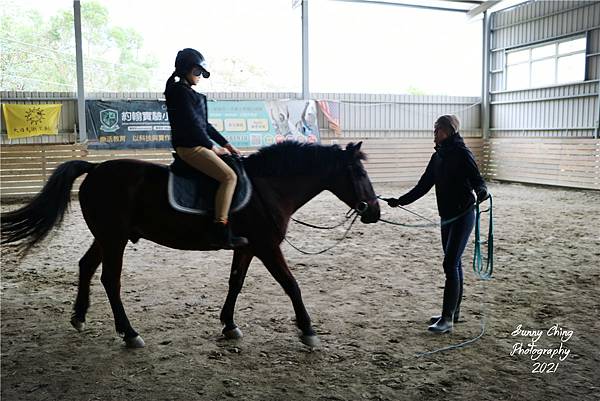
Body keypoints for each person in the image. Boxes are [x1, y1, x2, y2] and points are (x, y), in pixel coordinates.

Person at [386, 115, 488, 333]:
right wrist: (400, 201)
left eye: (438, 130)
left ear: (449, 131)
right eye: (434, 130)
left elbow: (477, 179)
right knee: (454, 263)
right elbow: (423, 185)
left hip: (463, 215)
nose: (435, 133)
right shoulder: (438, 157)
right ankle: (454, 312)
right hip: (447, 216)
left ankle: (447, 319)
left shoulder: (462, 153)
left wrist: (482, 191)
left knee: (450, 264)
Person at [164, 48, 248, 249]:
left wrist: (227, 145)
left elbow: (205, 126)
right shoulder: (179, 93)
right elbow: (192, 124)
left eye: (201, 73)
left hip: (200, 146)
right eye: (197, 72)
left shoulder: (195, 96)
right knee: (229, 177)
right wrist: (213, 147)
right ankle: (220, 229)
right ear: (185, 70)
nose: (199, 77)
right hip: (190, 148)